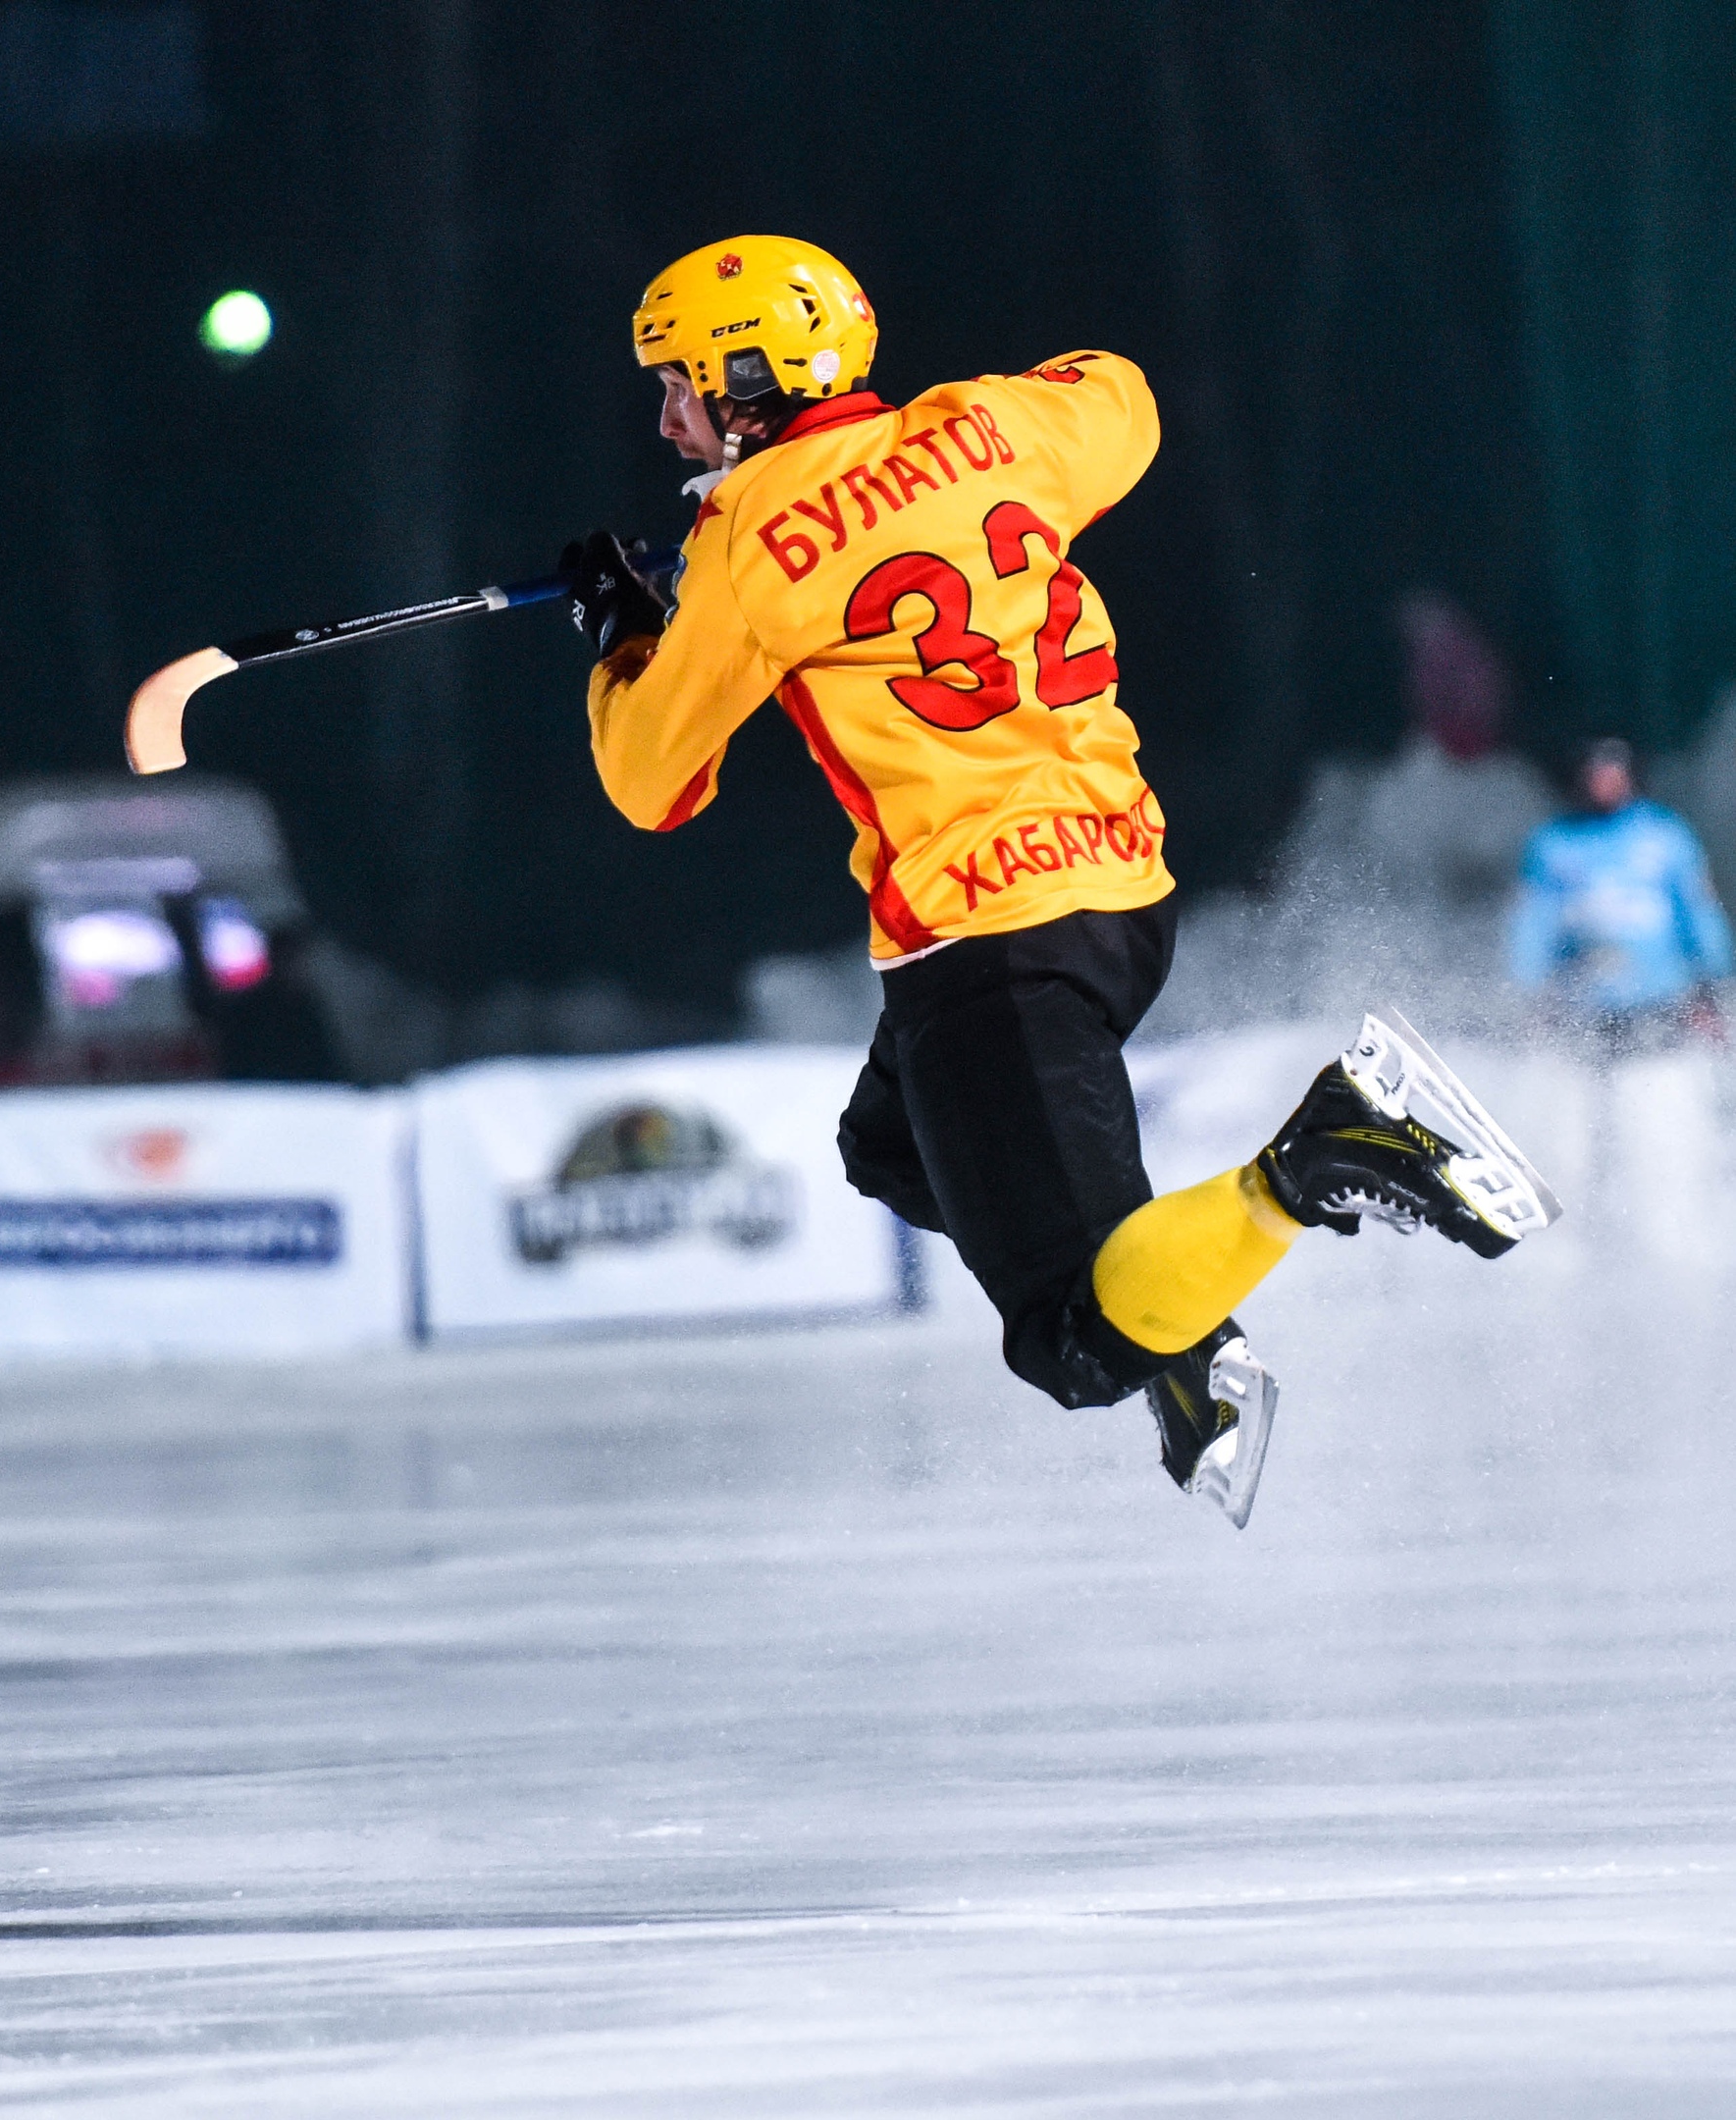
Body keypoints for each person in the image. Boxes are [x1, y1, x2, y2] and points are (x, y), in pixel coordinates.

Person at [557, 235, 1557, 1526]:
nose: (663, 415)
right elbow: (1120, 395)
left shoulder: (749, 544)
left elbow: (648, 781)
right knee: (888, 1147)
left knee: (1072, 1343)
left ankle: (1319, 1155)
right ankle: (1182, 1325)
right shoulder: (997, 422)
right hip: (1117, 896)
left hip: (981, 943)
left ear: (747, 376)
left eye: (677, 384)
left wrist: (622, 631)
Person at [1510, 737, 1731, 1049]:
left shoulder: (1666, 834)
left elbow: (1700, 912)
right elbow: (1533, 923)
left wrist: (1710, 988)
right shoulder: (1555, 842)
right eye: (1596, 773)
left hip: (1661, 1000)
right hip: (1585, 1005)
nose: (1605, 782)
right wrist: (1531, 991)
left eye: (1614, 772)